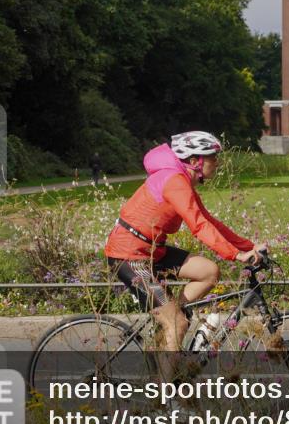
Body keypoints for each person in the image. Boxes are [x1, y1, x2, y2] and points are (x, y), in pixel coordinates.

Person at [104, 131, 265, 356]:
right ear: (194, 162)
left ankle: (169, 316)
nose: (216, 162)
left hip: (152, 251)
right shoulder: (175, 182)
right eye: (212, 157)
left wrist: (246, 247)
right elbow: (198, 225)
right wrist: (235, 255)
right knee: (178, 324)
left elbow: (209, 221)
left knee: (209, 271)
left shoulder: (181, 181)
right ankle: (167, 388)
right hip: (129, 256)